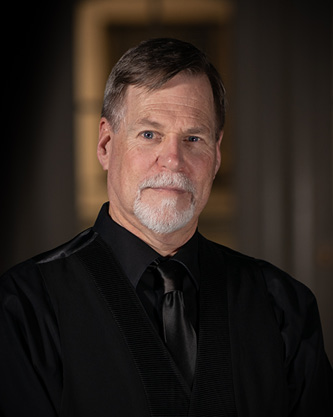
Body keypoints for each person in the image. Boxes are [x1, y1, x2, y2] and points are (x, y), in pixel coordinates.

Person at [0, 38, 332, 417]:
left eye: (193, 138)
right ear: (106, 144)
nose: (173, 161)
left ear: (217, 153)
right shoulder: (23, 309)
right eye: (149, 134)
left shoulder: (285, 306)